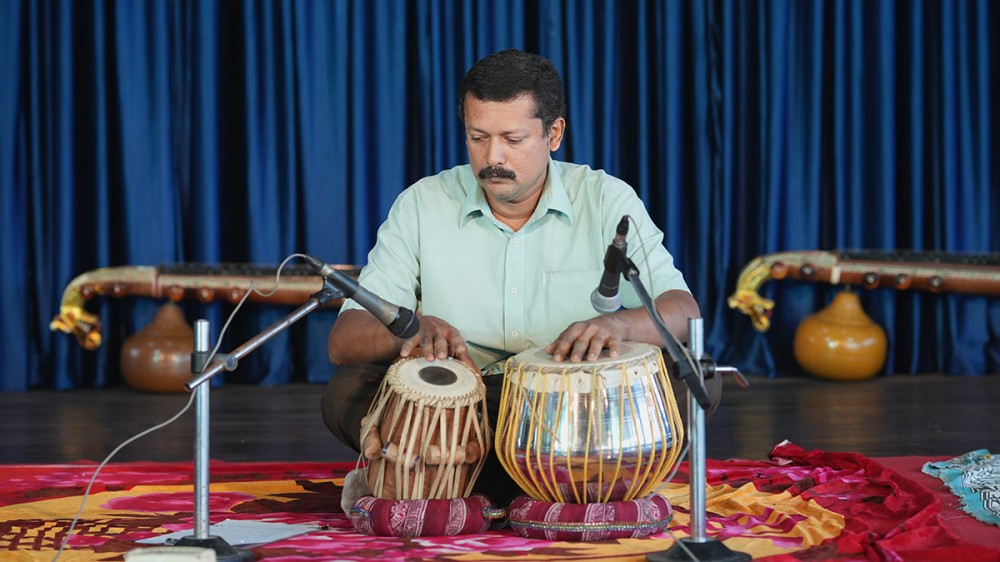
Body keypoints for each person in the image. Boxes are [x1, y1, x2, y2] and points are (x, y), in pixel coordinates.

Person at [322, 49, 722, 506]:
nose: (493, 156)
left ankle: (460, 477)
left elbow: (684, 313)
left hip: (575, 408)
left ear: (554, 133)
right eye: (478, 137)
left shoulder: (605, 199)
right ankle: (556, 480)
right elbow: (343, 341)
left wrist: (619, 324)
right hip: (465, 406)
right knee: (347, 390)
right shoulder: (422, 204)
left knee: (695, 379)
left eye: (512, 138)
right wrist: (413, 330)